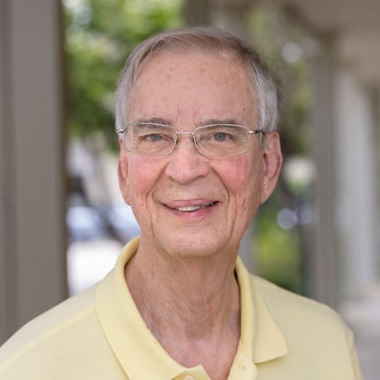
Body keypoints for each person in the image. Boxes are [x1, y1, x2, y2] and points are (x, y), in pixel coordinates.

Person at [0, 27, 362, 380]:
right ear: (125, 172)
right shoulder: (24, 368)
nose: (186, 170)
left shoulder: (328, 344)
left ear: (268, 166)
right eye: (155, 135)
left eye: (220, 135)